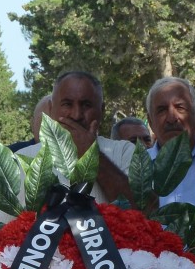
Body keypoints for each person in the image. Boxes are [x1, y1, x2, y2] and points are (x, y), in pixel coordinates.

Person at [23, 71, 134, 203]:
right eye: (67, 104)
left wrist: (91, 154)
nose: (76, 115)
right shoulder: (24, 159)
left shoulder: (123, 152)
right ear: (51, 110)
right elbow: (3, 223)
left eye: (86, 105)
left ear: (101, 111)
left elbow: (145, 210)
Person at [146, 76, 195, 206]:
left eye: (180, 107)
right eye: (162, 110)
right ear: (151, 122)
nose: (172, 118)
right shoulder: (137, 169)